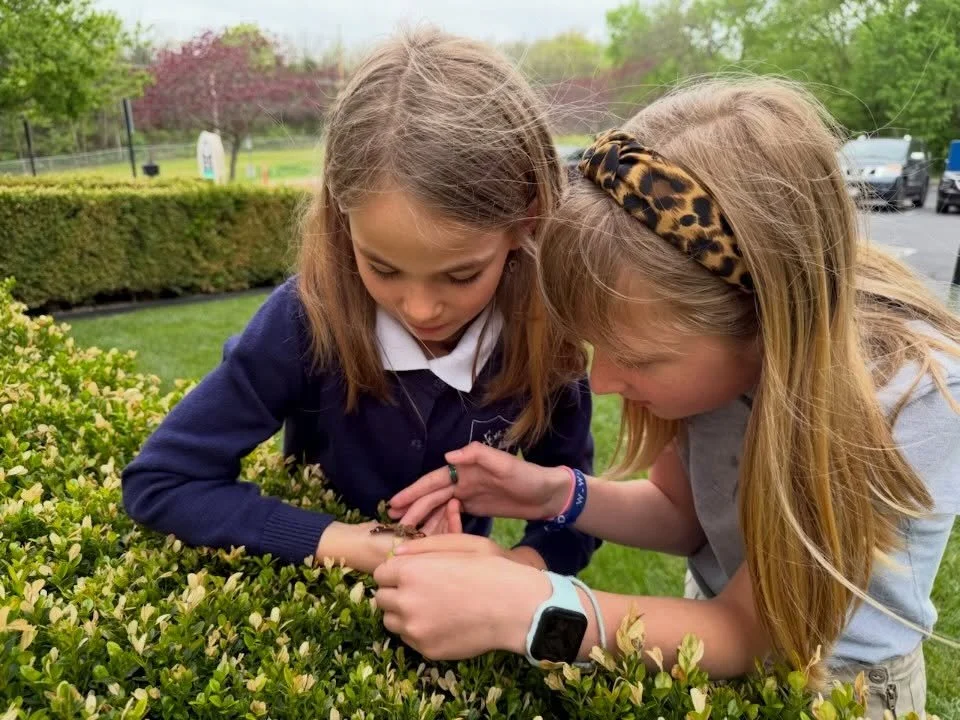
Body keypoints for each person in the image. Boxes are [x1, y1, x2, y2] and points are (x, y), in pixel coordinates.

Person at [376, 77, 959, 717]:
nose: (602, 383)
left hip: (841, 688)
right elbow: (682, 514)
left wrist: (527, 608)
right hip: (698, 637)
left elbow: (753, 633)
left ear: (761, 319)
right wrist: (552, 493)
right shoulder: (718, 360)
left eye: (639, 359)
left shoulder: (904, 396)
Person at [121, 27, 599, 577]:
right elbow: (161, 480)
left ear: (526, 220)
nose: (420, 309)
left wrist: (512, 573)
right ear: (341, 216)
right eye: (383, 268)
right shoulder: (306, 319)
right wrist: (351, 545)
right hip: (310, 606)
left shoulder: (542, 332)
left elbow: (576, 509)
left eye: (461, 274)